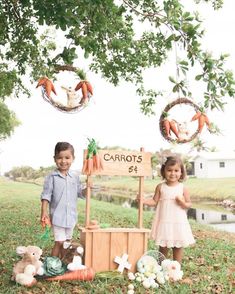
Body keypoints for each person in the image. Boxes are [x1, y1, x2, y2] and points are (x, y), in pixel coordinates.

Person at [139, 155, 195, 263]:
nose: (173, 173)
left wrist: (182, 202)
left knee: (177, 246)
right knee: (163, 245)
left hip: (178, 221)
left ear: (181, 172)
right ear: (163, 171)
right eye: (169, 170)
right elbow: (154, 201)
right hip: (164, 221)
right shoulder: (161, 187)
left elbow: (188, 204)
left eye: (176, 170)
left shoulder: (183, 188)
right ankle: (161, 266)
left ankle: (176, 267)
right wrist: (143, 200)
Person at [40, 142, 85, 258]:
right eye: (60, 157)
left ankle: (63, 262)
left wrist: (87, 188)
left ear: (73, 159)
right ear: (54, 159)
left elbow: (80, 193)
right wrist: (44, 212)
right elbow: (46, 195)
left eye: (67, 157)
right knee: (59, 242)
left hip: (71, 216)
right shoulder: (52, 177)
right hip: (57, 216)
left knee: (66, 243)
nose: (63, 161)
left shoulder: (75, 176)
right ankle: (52, 264)